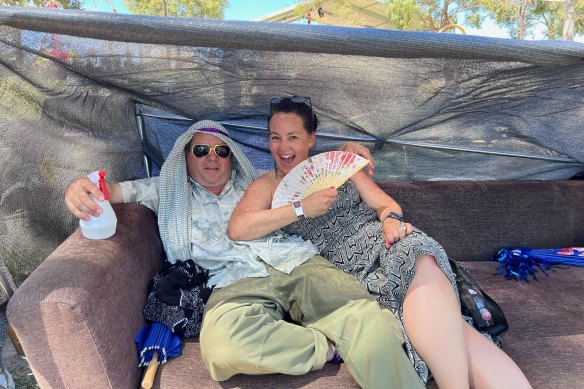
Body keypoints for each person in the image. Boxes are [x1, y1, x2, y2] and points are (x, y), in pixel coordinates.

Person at [65, 119, 424, 388]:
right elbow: (105, 191)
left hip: (296, 261)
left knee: (375, 324)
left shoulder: (256, 181)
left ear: (230, 156)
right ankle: (327, 345)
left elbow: (310, 165)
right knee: (222, 349)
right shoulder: (165, 190)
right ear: (185, 155)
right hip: (232, 282)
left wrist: (348, 145)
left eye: (221, 150)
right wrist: (78, 187)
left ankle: (355, 338)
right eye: (201, 150)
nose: (212, 158)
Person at [228, 97, 533, 389]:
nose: (282, 147)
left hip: (387, 242)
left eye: (292, 137)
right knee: (458, 332)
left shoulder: (338, 165)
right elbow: (239, 228)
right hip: (350, 273)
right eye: (274, 137)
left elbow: (385, 205)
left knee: (418, 257)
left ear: (311, 139)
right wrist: (299, 209)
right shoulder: (268, 184)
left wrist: (390, 220)